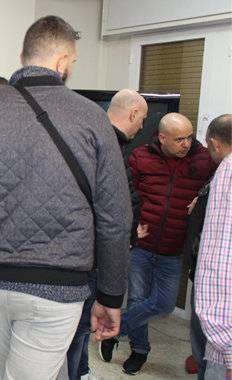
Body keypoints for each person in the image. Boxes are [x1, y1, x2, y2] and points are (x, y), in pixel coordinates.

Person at [0, 15, 131, 379]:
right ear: (64, 61)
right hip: (59, 286)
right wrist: (111, 296)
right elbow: (114, 217)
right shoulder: (92, 118)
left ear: (22, 56)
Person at [100, 112, 216, 375]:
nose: (186, 143)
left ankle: (113, 331)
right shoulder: (140, 156)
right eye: (179, 139)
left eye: (189, 137)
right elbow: (124, 193)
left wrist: (203, 193)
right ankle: (139, 350)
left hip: (174, 250)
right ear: (162, 137)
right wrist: (132, 225)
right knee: (138, 298)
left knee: (163, 303)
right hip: (142, 245)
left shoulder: (204, 159)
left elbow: (224, 177)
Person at [63, 89, 147, 380]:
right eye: (143, 119)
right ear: (134, 113)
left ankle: (83, 372)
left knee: (83, 328)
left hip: (86, 253)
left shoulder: (91, 138)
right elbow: (110, 208)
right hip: (94, 256)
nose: (142, 127)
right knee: (78, 330)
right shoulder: (110, 145)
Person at [187, 114, 231, 379]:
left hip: (225, 338)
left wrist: (227, 348)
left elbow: (221, 261)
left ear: (214, 143)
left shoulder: (227, 174)